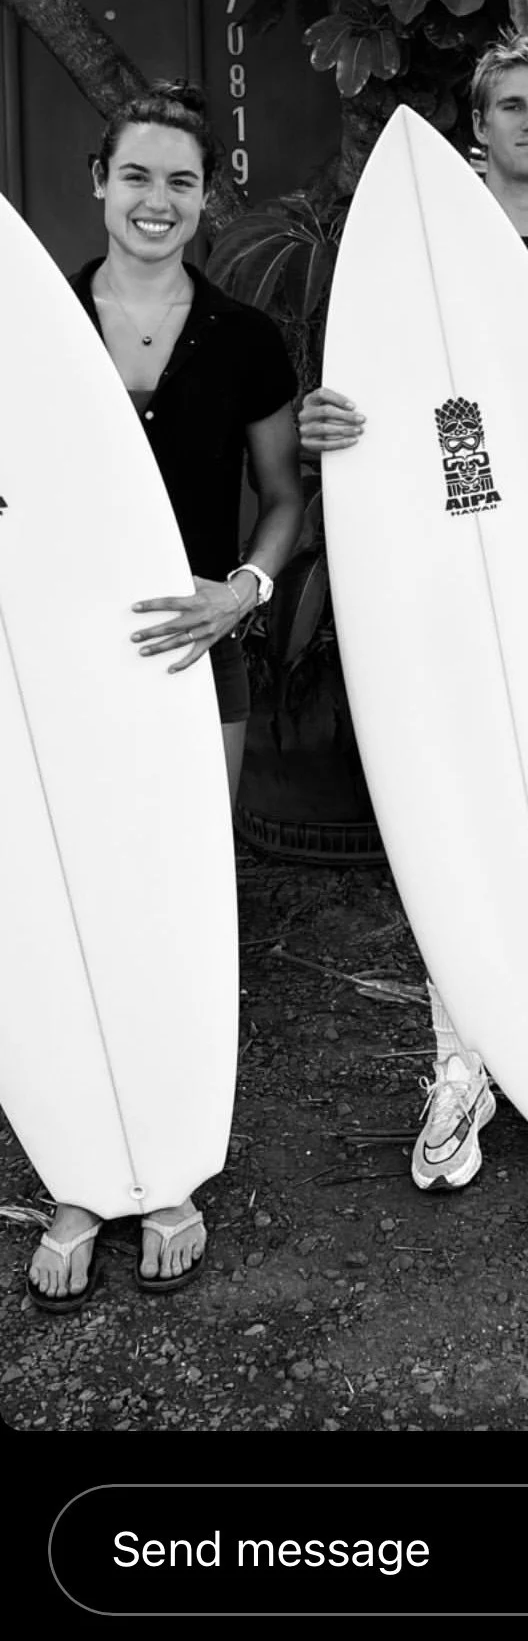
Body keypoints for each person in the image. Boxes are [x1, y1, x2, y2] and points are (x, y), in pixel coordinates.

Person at [300, 27, 528, 1188]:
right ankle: (462, 1061)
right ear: (483, 120)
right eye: (512, 105)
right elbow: (379, 421)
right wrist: (328, 425)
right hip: (436, 582)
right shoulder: (413, 251)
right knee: (453, 799)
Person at [26, 83, 303, 1309]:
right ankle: (83, 1173)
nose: (157, 201)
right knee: (61, 893)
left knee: (182, 892)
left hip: (198, 649)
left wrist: (244, 591)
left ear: (205, 199)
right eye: (136, 175)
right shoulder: (35, 325)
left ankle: (172, 1161)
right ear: (100, 181)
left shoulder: (245, 338)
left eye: (181, 182)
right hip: (52, 659)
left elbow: (284, 500)